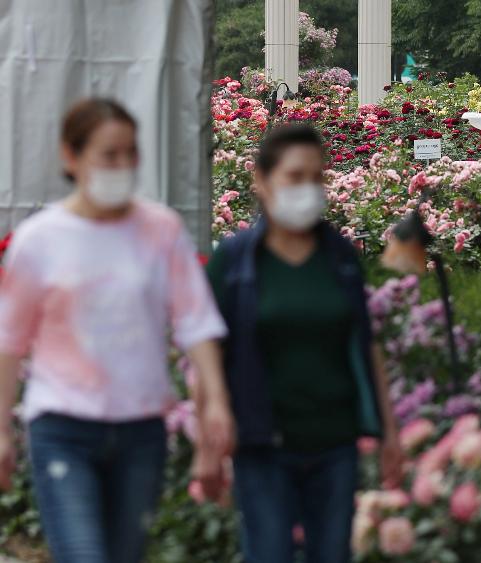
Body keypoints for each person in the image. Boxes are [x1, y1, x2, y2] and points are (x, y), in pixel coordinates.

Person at [0, 99, 233, 562]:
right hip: (62, 426)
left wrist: (217, 405)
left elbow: (196, 321)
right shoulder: (39, 239)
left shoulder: (160, 230)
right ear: (72, 156)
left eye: (130, 153)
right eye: (109, 154)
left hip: (140, 428)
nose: (122, 165)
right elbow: (10, 340)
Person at [206, 124, 403, 563]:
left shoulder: (340, 257)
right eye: (295, 177)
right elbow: (207, 352)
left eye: (317, 178)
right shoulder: (235, 262)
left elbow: (366, 343)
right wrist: (208, 437)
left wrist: (389, 431)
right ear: (261, 179)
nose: (308, 189)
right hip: (263, 444)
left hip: (335, 442)